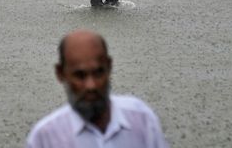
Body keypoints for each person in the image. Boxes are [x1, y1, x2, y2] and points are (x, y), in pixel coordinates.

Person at [26, 30, 168, 148]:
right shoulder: (45, 138)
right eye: (80, 76)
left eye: (98, 73)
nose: (91, 86)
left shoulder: (142, 120)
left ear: (109, 67)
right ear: (60, 74)